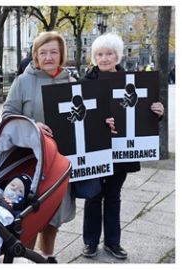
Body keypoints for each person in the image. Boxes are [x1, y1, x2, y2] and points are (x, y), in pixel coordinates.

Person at [81, 33, 164, 260]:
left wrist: (157, 112)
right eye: (99, 54)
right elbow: (78, 117)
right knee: (93, 195)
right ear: (94, 57)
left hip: (121, 152)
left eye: (109, 53)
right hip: (95, 150)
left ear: (117, 56)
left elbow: (142, 114)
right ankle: (90, 242)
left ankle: (112, 242)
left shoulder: (133, 81)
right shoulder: (86, 82)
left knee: (113, 195)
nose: (104, 58)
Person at [2, 31, 76, 263]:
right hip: (31, 160)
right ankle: (26, 258)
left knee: (55, 210)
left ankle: (47, 256)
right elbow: (7, 115)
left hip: (60, 159)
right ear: (35, 55)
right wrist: (32, 126)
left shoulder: (71, 82)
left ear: (61, 54)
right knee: (30, 212)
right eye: (43, 52)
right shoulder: (23, 81)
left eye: (54, 51)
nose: (48, 57)